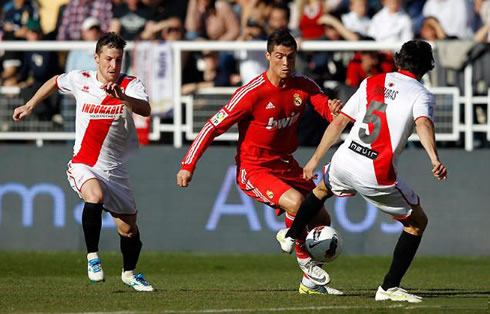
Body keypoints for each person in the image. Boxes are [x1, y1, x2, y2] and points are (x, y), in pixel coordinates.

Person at [276, 39, 448, 303]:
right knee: (417, 223)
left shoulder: (372, 81)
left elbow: (340, 122)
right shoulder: (421, 94)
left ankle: (289, 235)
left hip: (345, 159)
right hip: (375, 171)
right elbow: (423, 123)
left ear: (398, 60)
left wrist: (313, 160)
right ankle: (389, 287)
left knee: (321, 190)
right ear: (428, 67)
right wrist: (434, 158)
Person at [177, 29, 344, 295]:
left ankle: (310, 284)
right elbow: (212, 126)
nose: (286, 63)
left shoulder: (303, 85)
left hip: (286, 164)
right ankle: (303, 257)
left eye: (290, 56)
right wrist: (188, 164)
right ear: (268, 56)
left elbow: (323, 106)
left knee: (322, 218)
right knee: (297, 203)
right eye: (279, 56)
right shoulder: (251, 93)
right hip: (253, 168)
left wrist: (333, 109)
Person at [12, 32, 154, 292]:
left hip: (115, 169)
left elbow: (145, 109)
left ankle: (129, 273)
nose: (113, 66)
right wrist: (30, 104)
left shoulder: (130, 84)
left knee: (129, 230)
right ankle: (93, 258)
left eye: (118, 60)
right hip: (84, 163)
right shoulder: (81, 80)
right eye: (109, 59)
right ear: (97, 58)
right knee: (94, 196)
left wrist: (123, 97)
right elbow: (55, 81)